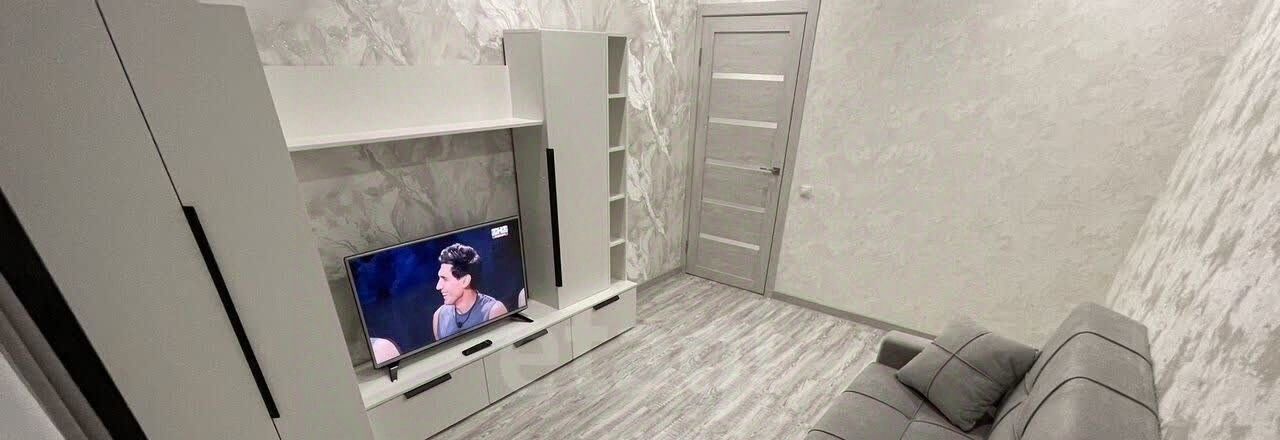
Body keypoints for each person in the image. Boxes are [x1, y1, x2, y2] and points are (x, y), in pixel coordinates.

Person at [432, 243, 508, 340]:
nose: (438, 286)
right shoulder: (439, 316)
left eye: (445, 279)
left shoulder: (494, 311)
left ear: (465, 281)